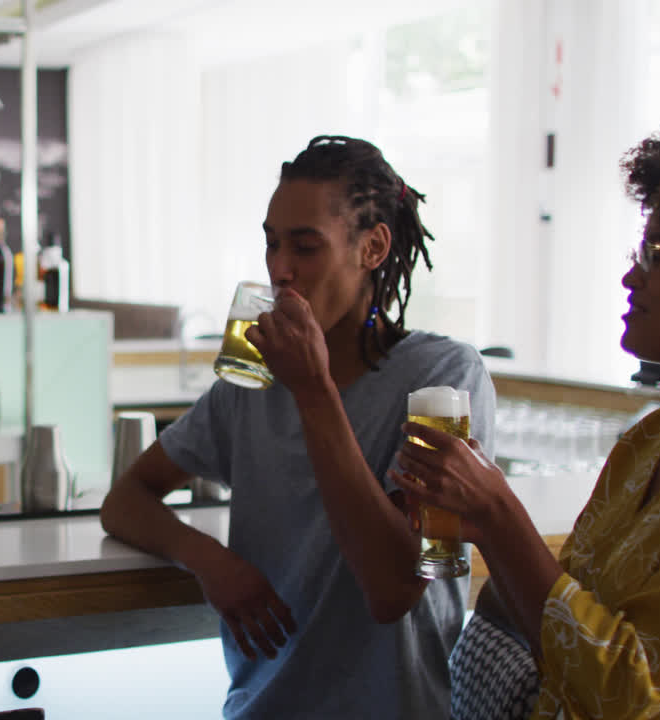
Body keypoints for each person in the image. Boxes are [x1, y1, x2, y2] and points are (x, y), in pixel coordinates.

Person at [100, 135, 496, 719]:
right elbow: (124, 500)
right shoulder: (254, 378)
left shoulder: (445, 380)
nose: (279, 269)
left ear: (373, 248)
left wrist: (314, 390)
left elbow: (395, 588)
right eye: (272, 243)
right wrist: (209, 560)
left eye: (305, 247)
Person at [392, 121, 660, 719]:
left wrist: (499, 515)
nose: (631, 276)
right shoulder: (649, 441)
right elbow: (558, 632)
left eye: (657, 252)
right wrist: (480, 519)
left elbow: (632, 697)